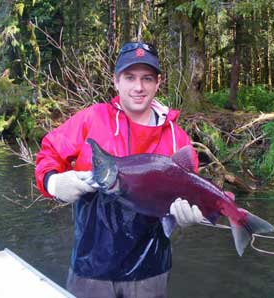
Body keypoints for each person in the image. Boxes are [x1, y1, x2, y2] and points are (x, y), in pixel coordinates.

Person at [35, 42, 203, 298]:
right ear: (116, 81)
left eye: (147, 78)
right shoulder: (91, 119)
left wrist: (189, 214)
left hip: (151, 272)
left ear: (158, 82)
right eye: (130, 77)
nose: (138, 87)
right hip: (90, 270)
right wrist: (54, 183)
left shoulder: (177, 138)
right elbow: (49, 153)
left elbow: (193, 190)